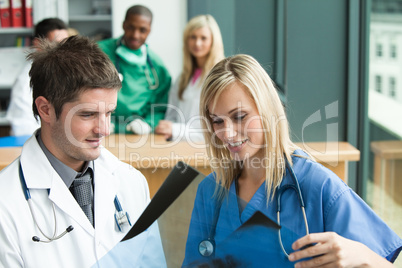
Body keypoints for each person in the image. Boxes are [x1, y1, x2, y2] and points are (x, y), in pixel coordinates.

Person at [183, 54, 402, 267]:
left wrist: (363, 255)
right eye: (217, 121)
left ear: (268, 110)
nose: (227, 133)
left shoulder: (318, 187)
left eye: (239, 116)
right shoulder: (210, 192)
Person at [0, 36, 166, 267]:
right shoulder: (5, 202)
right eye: (88, 114)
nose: (104, 130)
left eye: (109, 113)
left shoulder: (131, 182)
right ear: (46, 110)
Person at [98, 5, 171, 134]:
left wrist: (148, 124)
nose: (135, 35)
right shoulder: (99, 52)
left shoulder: (158, 68)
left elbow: (160, 107)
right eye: (131, 27)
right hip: (101, 129)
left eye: (142, 30)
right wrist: (97, 118)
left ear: (149, 31)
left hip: (138, 134)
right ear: (124, 25)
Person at [155, 15, 224, 142]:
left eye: (203, 38)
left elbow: (217, 130)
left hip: (206, 152)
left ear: (213, 41)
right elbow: (171, 115)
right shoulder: (182, 78)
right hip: (179, 149)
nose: (197, 43)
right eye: (193, 37)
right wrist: (168, 129)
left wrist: (175, 130)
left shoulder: (220, 77)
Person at [6, 18, 69, 136]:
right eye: (57, 44)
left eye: (65, 43)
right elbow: (23, 127)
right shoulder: (26, 79)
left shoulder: (61, 72)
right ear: (38, 44)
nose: (63, 50)